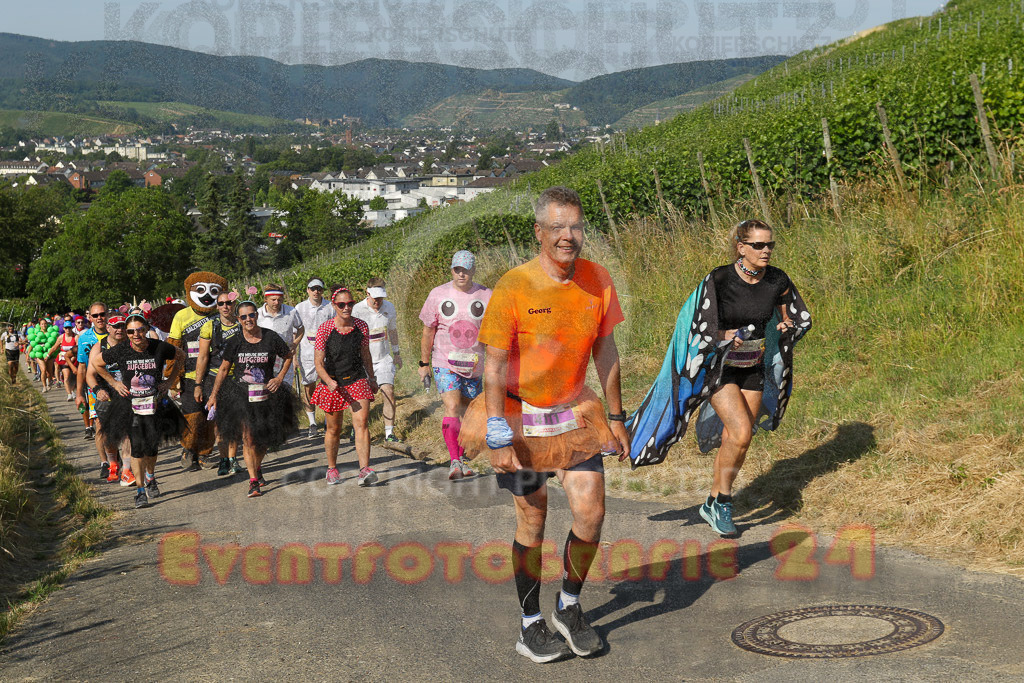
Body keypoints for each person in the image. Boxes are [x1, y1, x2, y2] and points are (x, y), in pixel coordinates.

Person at [459, 186, 630, 663]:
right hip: (519, 415)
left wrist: (616, 417)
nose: (568, 237)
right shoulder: (515, 286)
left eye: (575, 227)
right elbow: (492, 365)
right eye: (557, 228)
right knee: (533, 516)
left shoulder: (598, 279)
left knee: (591, 513)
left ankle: (569, 606)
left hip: (574, 413)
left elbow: (607, 351)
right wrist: (496, 431)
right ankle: (530, 621)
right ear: (539, 232)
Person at [627, 219, 812, 536]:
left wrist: (785, 326)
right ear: (741, 247)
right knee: (740, 432)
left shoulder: (777, 280)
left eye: (770, 245)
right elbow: (698, 324)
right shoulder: (720, 279)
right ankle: (724, 502)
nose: (766, 250)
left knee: (740, 438)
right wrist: (724, 334)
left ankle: (713, 501)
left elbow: (790, 313)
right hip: (719, 366)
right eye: (758, 245)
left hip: (753, 366)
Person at [207, 300, 299, 498]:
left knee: (263, 440)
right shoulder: (235, 341)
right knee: (248, 438)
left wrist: (279, 377)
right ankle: (253, 481)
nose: (248, 319)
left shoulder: (270, 337)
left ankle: (257, 466)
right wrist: (214, 395)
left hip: (267, 394)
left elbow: (288, 356)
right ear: (238, 319)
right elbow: (223, 369)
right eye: (243, 317)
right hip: (241, 394)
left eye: (251, 315)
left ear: (256, 316)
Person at [95, 314, 185, 508]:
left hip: (155, 403)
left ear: (146, 329)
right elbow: (96, 364)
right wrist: (114, 383)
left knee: (152, 447)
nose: (136, 334)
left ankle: (150, 477)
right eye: (131, 331)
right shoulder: (120, 350)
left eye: (140, 330)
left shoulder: (159, 347)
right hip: (130, 404)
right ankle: (140, 490)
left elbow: (180, 355)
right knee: (136, 446)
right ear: (126, 334)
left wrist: (169, 381)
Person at [418, 250, 491, 480]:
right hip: (444, 362)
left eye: (466, 270)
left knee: (467, 413)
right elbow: (428, 330)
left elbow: (493, 332)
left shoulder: (486, 295)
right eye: (457, 270)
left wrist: (495, 364)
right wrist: (424, 363)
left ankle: (463, 459)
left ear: (473, 271)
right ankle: (454, 460)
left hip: (474, 365)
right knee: (452, 407)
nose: (462, 274)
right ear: (451, 270)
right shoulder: (438, 294)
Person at [311, 287, 379, 487]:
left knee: (362, 423)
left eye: (350, 303)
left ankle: (364, 469)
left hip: (356, 379)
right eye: (341, 304)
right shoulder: (325, 329)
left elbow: (365, 354)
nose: (346, 308)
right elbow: (318, 362)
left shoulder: (361, 326)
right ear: (334, 306)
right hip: (333, 382)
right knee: (334, 428)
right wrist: (328, 381)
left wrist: (372, 377)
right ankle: (332, 469)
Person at [168, 271, 227, 471]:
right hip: (189, 375)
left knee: (210, 415)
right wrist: (173, 378)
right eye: (200, 290)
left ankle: (205, 453)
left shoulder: (221, 316)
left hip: (214, 374)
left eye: (213, 291)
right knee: (192, 415)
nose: (207, 295)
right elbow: (174, 349)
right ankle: (188, 448)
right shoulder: (182, 316)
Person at [195, 290, 244, 476]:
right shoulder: (210, 326)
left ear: (234, 305)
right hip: (214, 378)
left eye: (229, 303)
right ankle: (224, 459)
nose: (225, 306)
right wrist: (198, 384)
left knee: (236, 421)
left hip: (238, 378)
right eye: (221, 303)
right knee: (219, 422)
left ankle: (233, 458)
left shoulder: (242, 323)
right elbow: (202, 356)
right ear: (217, 306)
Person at [352, 277, 403, 443]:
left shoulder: (389, 308)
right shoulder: (357, 310)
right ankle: (357, 429)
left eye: (381, 297)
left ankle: (389, 433)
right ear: (367, 293)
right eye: (375, 298)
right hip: (362, 361)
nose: (378, 301)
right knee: (362, 399)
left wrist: (396, 353)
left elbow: (393, 331)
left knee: (388, 391)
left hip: (383, 358)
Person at [86, 314, 130, 484]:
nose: (119, 330)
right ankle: (113, 464)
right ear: (108, 328)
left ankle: (127, 469)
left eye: (122, 326)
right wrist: (97, 390)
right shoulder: (99, 347)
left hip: (128, 394)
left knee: (127, 432)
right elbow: (90, 375)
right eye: (115, 326)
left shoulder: (131, 344)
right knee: (108, 434)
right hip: (107, 395)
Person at [76, 303, 112, 476]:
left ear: (107, 314)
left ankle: (118, 457)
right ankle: (104, 462)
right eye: (95, 315)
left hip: (117, 384)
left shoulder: (117, 332)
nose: (99, 318)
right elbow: (82, 368)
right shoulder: (84, 338)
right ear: (89, 317)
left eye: (102, 314)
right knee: (99, 425)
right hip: (94, 387)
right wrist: (78, 394)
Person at [294, 278, 333, 439]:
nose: (316, 291)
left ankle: (327, 421)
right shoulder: (300, 308)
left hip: (327, 351)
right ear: (308, 290)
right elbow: (295, 333)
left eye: (319, 288)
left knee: (327, 385)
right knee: (309, 386)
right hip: (307, 351)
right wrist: (295, 356)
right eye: (313, 288)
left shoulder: (330, 306)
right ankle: (312, 423)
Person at [256, 283, 304, 396]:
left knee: (283, 393)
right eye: (273, 300)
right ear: (265, 299)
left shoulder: (291, 312)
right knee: (264, 394)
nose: (276, 303)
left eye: (279, 299)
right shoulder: (258, 314)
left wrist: (295, 343)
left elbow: (301, 329)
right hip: (263, 360)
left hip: (285, 360)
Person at [54, 322, 78, 401]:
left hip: (74, 359)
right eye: (66, 328)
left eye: (69, 328)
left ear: (72, 328)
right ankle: (69, 394)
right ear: (64, 329)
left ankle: (72, 390)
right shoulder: (61, 337)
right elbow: (55, 347)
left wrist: (71, 360)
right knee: (66, 376)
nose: (68, 329)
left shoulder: (76, 337)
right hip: (64, 360)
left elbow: (78, 349)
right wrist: (48, 355)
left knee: (74, 377)